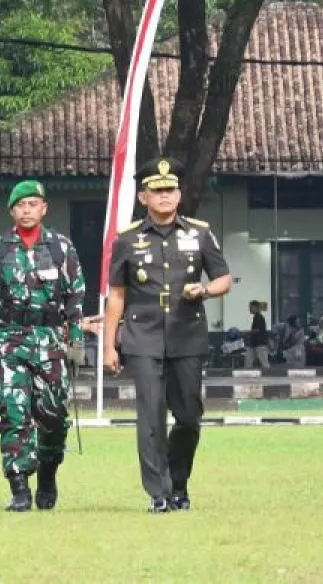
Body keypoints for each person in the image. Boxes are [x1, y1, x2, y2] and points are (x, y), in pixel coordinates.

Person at [101, 157, 231, 513]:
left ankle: (178, 482)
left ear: (179, 194)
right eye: (156, 190)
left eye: (170, 189)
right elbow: (117, 295)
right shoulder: (128, 240)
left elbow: (223, 277)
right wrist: (109, 345)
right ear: (143, 197)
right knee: (151, 416)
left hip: (187, 334)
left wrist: (205, 290)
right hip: (142, 336)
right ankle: (159, 493)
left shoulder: (199, 233)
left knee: (188, 416)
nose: (164, 196)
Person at [0, 180, 86, 512]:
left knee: (54, 417)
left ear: (44, 208)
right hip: (9, 340)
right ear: (12, 211)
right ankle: (19, 487)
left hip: (50, 341)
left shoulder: (61, 248)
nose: (27, 210)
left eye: (33, 204)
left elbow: (75, 297)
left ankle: (47, 474)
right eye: (21, 205)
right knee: (13, 412)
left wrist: (76, 340)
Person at [246, 300, 270, 371]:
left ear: (255, 307)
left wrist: (247, 332)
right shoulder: (256, 317)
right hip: (254, 343)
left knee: (264, 363)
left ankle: (268, 375)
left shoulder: (259, 317)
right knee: (248, 361)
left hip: (260, 343)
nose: (250, 309)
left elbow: (258, 330)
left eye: (251, 307)